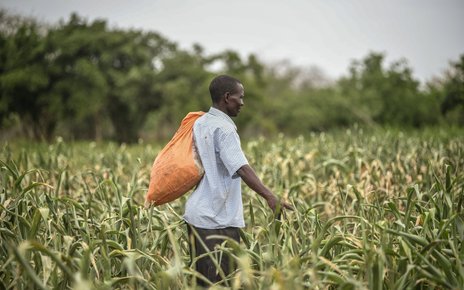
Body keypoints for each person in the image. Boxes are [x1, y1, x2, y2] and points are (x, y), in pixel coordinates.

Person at [184, 75, 293, 287]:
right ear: (227, 97)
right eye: (239, 97)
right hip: (217, 220)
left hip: (198, 214)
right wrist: (270, 197)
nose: (242, 103)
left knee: (204, 283)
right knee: (221, 283)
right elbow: (241, 168)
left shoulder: (200, 122)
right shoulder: (224, 129)